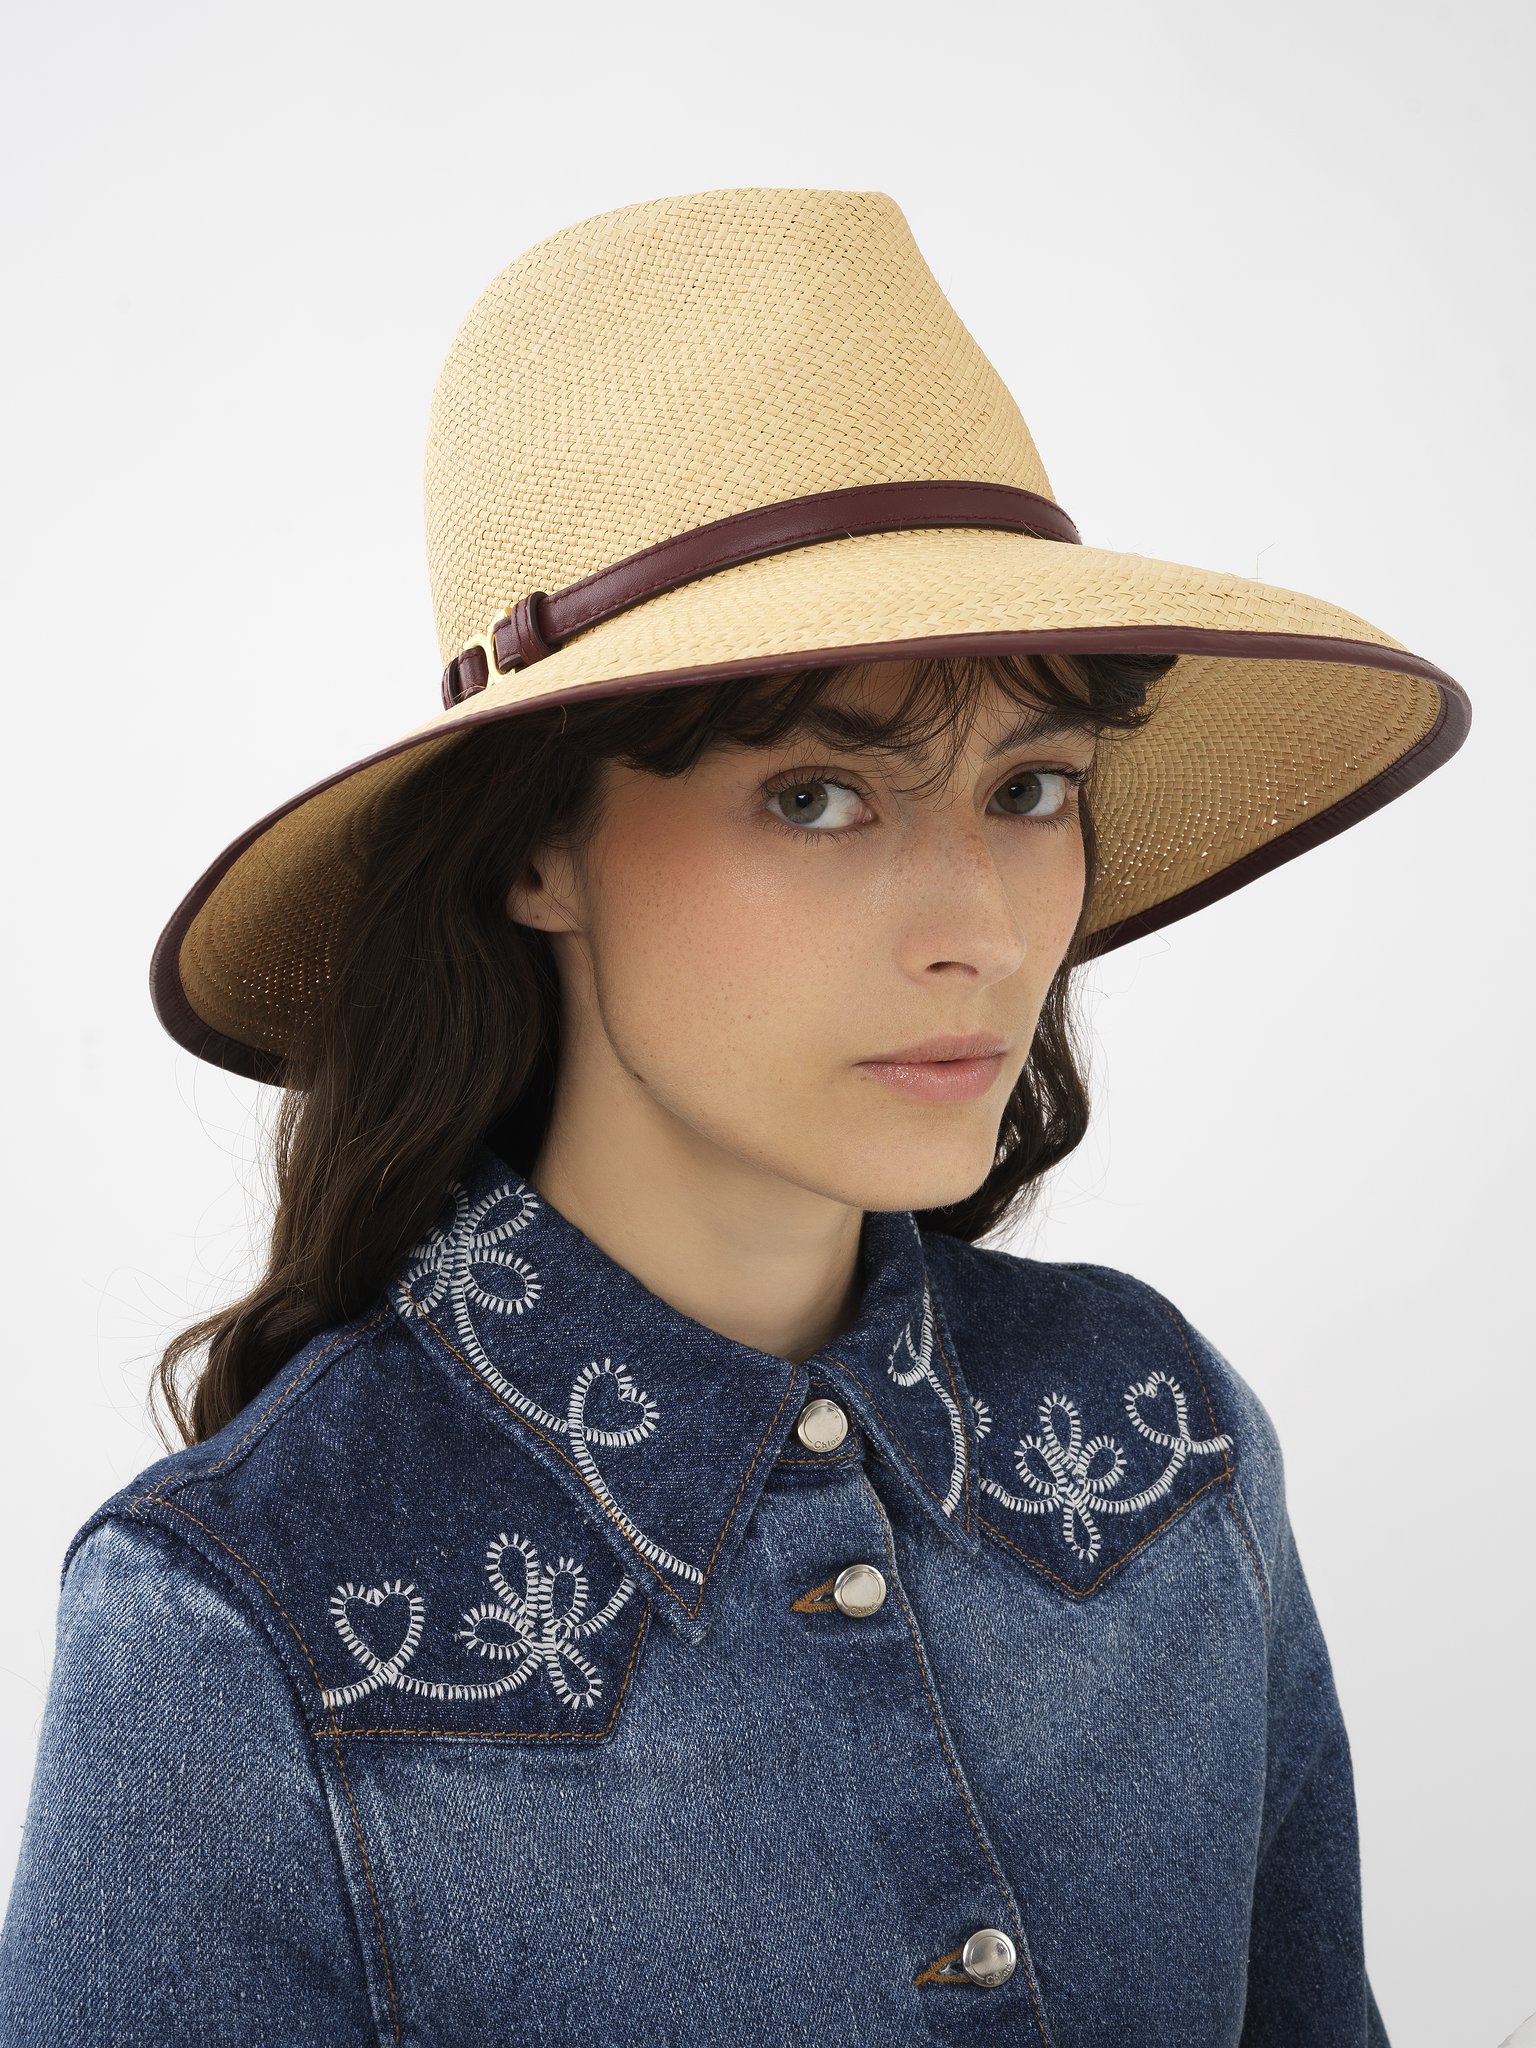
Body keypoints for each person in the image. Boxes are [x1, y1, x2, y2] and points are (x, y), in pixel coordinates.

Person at [0, 186, 1470, 2047]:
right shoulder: (236, 1633)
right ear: (538, 839)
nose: (986, 932)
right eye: (818, 799)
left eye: (1030, 786)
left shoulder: (1163, 1447)